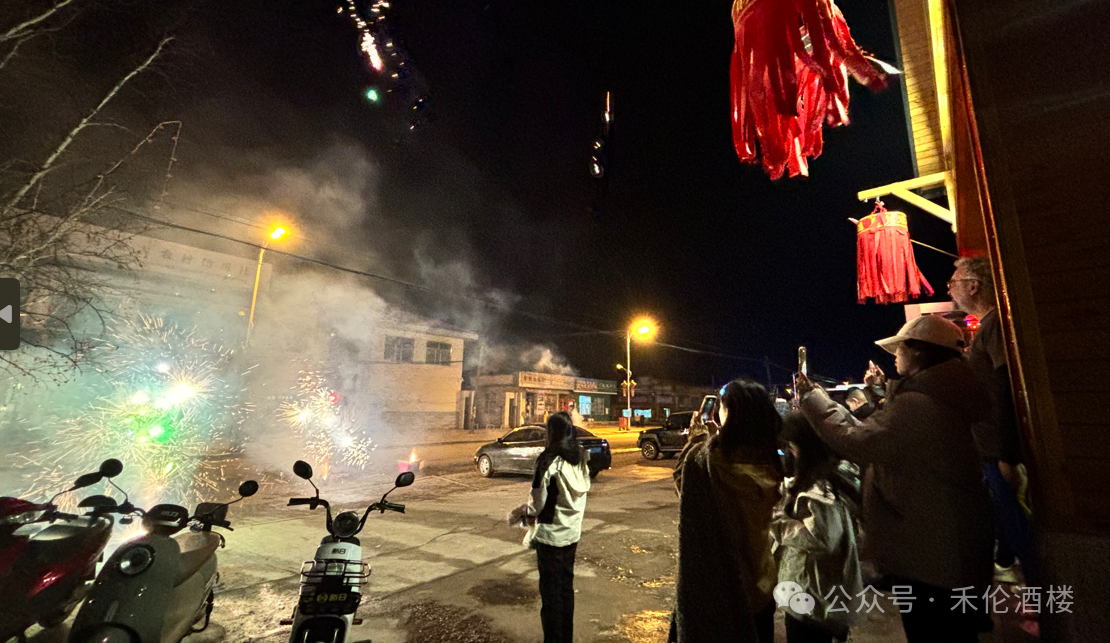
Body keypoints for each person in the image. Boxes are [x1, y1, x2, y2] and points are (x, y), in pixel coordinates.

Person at [795, 315, 994, 643]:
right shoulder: (943, 393)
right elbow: (876, 432)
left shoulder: (919, 403)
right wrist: (876, 392)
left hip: (930, 551)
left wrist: (812, 400)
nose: (895, 355)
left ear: (918, 351)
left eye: (900, 348)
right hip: (947, 540)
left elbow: (858, 442)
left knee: (935, 632)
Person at [670, 378, 783, 643]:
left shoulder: (710, 461)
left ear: (729, 413)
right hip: (761, 586)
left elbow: (687, 489)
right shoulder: (772, 460)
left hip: (720, 591)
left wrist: (697, 440)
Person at [948, 255, 1037, 585]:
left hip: (999, 452)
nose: (949, 288)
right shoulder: (988, 326)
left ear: (973, 286)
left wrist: (1008, 455)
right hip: (993, 449)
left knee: (1021, 531)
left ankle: (1045, 598)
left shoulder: (995, 325)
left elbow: (1006, 388)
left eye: (953, 282)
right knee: (1011, 525)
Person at [771, 411, 863, 643]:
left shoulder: (821, 491)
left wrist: (777, 522)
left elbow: (822, 537)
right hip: (815, 596)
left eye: (791, 447)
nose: (789, 453)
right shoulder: (828, 478)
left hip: (812, 600)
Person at [510, 412, 591, 643]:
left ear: (551, 432)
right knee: (566, 590)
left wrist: (520, 514)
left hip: (550, 537)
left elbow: (536, 504)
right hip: (571, 534)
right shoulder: (580, 458)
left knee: (551, 597)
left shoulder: (547, 461)